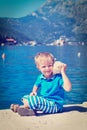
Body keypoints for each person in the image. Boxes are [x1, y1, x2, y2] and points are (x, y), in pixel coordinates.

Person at [10, 52, 72, 116]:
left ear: (53, 65)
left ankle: (21, 108)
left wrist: (63, 72)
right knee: (25, 97)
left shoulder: (58, 77)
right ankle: (29, 110)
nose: (47, 69)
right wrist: (34, 92)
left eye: (50, 65)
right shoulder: (40, 77)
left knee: (34, 101)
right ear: (38, 68)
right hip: (45, 102)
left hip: (55, 105)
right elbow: (36, 85)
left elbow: (68, 88)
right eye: (44, 67)